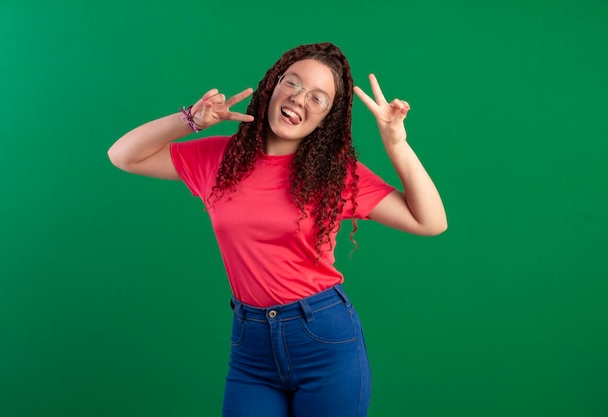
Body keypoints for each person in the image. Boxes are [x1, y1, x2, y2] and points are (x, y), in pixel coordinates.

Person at [108, 42, 446, 417]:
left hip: (324, 340)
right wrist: (191, 120)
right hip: (250, 346)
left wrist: (396, 145)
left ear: (326, 118)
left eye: (317, 98)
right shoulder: (220, 159)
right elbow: (123, 155)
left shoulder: (335, 175)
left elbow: (431, 221)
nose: (299, 100)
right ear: (273, 85)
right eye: (293, 84)